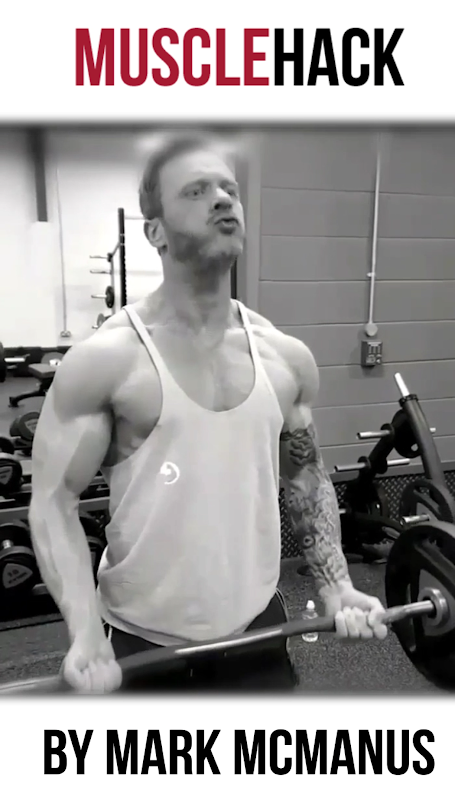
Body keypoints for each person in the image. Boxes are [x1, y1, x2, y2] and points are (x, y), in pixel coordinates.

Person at [29, 132, 387, 694]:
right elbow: (53, 501)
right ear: (154, 231)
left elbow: (306, 477)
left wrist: (335, 585)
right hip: (142, 641)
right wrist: (85, 632)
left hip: (257, 627)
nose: (222, 200)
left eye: (229, 189)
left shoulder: (284, 357)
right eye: (196, 192)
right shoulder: (107, 361)